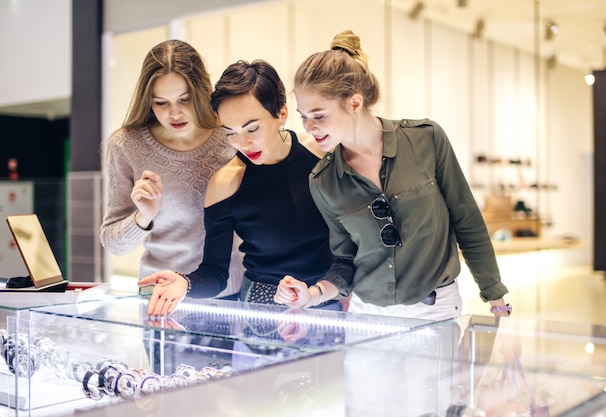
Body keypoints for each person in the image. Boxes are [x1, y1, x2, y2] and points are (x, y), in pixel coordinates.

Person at [275, 30, 510, 321]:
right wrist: (312, 294)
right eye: (304, 116)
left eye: (319, 115)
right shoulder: (323, 181)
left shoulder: (426, 139)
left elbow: (467, 220)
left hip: (435, 310)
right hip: (367, 317)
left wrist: (497, 301)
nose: (309, 127)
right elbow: (345, 261)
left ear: (354, 103)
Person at [138, 59, 353, 317]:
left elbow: (352, 241)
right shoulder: (225, 183)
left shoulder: (321, 154)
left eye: (252, 128)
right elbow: (215, 273)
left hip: (325, 296)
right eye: (231, 132)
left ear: (281, 114)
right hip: (262, 306)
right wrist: (185, 283)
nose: (243, 143)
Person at [100, 39, 243, 299]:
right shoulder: (127, 145)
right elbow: (113, 243)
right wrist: (143, 217)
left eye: (184, 99)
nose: (174, 113)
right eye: (161, 103)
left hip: (228, 292)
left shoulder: (231, 135)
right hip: (160, 294)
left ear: (202, 91)